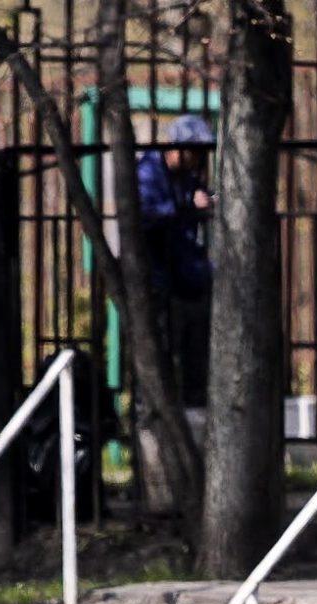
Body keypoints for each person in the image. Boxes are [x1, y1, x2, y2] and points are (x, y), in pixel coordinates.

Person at [136, 113, 215, 411]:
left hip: (190, 279)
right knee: (161, 357)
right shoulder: (149, 172)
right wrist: (184, 206)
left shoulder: (187, 178)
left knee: (197, 359)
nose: (197, 159)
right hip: (160, 282)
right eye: (193, 151)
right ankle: (155, 422)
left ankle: (195, 416)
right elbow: (145, 217)